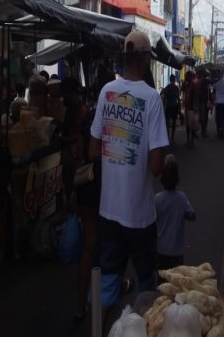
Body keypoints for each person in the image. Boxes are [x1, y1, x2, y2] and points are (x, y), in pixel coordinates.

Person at [89, 31, 169, 321]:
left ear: (125, 56)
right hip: (140, 217)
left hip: (108, 212)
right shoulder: (151, 99)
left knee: (107, 283)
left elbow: (93, 149)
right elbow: (157, 165)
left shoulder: (106, 91)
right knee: (147, 290)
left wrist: (117, 149)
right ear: (147, 59)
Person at [75, 71, 113, 321]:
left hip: (85, 183)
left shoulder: (87, 116)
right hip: (106, 185)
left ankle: (80, 303)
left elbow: (79, 152)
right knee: (106, 247)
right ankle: (100, 304)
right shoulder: (111, 118)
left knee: (89, 246)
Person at [155, 154, 196, 271]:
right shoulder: (181, 198)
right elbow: (192, 215)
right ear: (177, 179)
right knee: (176, 283)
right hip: (176, 251)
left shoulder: (157, 198)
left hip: (160, 249)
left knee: (162, 282)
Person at [59, 77, 88, 202]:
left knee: (74, 187)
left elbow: (78, 135)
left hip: (75, 154)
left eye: (65, 94)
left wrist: (61, 139)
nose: (63, 97)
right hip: (70, 154)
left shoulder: (80, 109)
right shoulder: (72, 107)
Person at [160, 75, 180, 144]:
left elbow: (162, 95)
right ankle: (172, 137)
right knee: (173, 122)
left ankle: (168, 137)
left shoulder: (167, 87)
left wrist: (163, 106)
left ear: (170, 80)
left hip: (168, 107)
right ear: (174, 80)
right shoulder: (176, 88)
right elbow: (178, 99)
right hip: (174, 106)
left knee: (167, 123)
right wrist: (179, 109)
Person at [181, 71, 197, 147]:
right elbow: (182, 91)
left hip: (191, 108)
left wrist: (195, 108)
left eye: (188, 76)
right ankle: (188, 140)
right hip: (186, 108)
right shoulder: (185, 85)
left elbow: (196, 97)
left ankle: (192, 140)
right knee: (187, 125)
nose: (187, 78)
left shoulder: (193, 85)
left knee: (192, 126)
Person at [212, 72, 224, 138]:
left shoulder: (215, 81)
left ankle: (218, 131)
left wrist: (213, 99)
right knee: (222, 117)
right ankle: (221, 129)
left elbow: (213, 92)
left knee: (218, 118)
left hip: (217, 102)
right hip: (223, 102)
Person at [195, 71, 212, 138]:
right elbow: (207, 92)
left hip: (201, 102)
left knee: (202, 118)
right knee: (203, 118)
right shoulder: (204, 82)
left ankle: (200, 131)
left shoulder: (199, 82)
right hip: (203, 102)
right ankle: (202, 131)